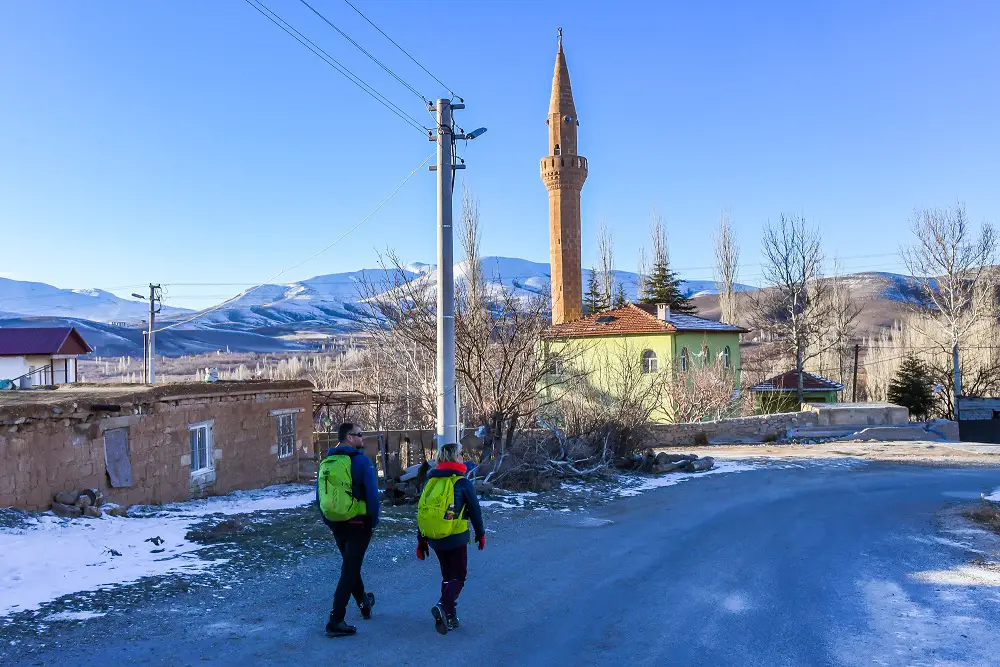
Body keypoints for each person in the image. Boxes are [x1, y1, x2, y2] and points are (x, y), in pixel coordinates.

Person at [317, 422, 380, 637]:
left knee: (351, 565)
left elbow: (320, 497)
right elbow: (373, 495)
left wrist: (330, 522)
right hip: (358, 523)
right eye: (359, 435)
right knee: (349, 570)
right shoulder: (362, 462)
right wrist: (373, 523)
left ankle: (364, 603)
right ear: (349, 438)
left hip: (337, 523)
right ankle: (336, 620)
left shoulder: (327, 461)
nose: (363, 438)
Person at [416, 443, 486, 635]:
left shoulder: (430, 482)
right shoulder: (462, 483)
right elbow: (474, 511)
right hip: (455, 537)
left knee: (448, 576)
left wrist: (421, 540)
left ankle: (450, 617)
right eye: (461, 454)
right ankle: (443, 605)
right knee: (459, 576)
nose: (463, 457)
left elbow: (423, 513)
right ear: (456, 457)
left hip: (435, 538)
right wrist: (480, 534)